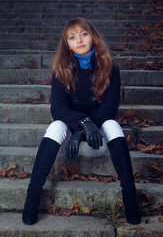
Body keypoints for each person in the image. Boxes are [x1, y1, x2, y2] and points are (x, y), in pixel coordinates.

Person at [22, 17, 141, 225]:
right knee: (55, 125)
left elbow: (110, 106)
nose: (79, 40)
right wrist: (81, 125)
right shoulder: (61, 69)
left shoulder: (110, 67)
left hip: (98, 141)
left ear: (93, 37)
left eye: (84, 34)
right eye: (72, 37)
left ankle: (130, 196)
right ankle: (32, 195)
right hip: (69, 143)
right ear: (67, 43)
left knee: (112, 124)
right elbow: (57, 108)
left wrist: (85, 128)